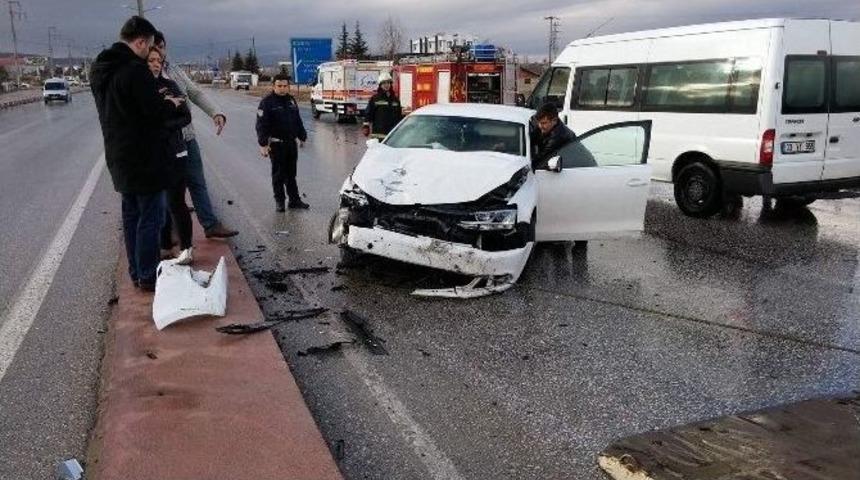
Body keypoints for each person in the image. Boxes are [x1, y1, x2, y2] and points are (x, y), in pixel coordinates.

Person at [90, 16, 185, 291]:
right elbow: (154, 112)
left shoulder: (101, 68)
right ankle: (147, 274)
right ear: (141, 42)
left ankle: (136, 272)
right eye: (149, 45)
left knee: (131, 215)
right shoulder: (135, 70)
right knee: (150, 218)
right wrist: (171, 103)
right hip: (145, 157)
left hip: (118, 155)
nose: (149, 52)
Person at [153, 31, 238, 239]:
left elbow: (195, 92)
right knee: (169, 189)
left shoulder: (173, 69)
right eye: (155, 47)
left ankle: (210, 224)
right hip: (164, 142)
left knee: (197, 181)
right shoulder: (143, 73)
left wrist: (215, 112)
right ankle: (167, 232)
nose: (159, 52)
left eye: (162, 47)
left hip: (187, 137)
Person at [147, 47, 194, 265]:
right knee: (157, 203)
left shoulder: (171, 86)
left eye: (159, 60)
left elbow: (185, 116)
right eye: (151, 60)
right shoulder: (139, 88)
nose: (156, 64)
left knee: (176, 202)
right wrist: (165, 108)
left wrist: (165, 126)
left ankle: (186, 248)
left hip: (175, 151)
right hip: (150, 155)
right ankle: (164, 245)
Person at [255, 73, 309, 212]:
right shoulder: (267, 102)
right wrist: (263, 144)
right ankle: (279, 201)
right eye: (279, 86)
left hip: (291, 144)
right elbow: (261, 125)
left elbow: (297, 120)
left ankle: (294, 200)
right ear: (274, 86)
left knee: (291, 174)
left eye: (285, 86)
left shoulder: (291, 100)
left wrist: (302, 136)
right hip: (276, 145)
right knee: (278, 175)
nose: (282, 88)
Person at [530, 103, 578, 170]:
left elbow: (541, 159)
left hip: (574, 168)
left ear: (554, 120)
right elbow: (532, 138)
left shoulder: (559, 136)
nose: (540, 126)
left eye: (544, 123)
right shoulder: (545, 127)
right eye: (539, 122)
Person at [363, 71, 402, 138]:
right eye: (384, 83)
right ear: (380, 85)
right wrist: (366, 126)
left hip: (392, 135)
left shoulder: (395, 99)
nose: (386, 85)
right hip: (378, 134)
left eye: (388, 82)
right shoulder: (375, 99)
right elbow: (368, 113)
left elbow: (399, 115)